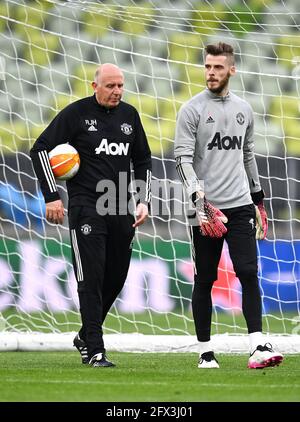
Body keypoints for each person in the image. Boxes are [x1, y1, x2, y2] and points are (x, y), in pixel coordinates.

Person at [30, 63, 152, 367]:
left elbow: (143, 159)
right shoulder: (76, 114)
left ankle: (85, 334)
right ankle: (95, 350)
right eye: (111, 86)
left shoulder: (130, 116)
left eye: (121, 85)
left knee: (117, 277)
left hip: (121, 205)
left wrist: (143, 200)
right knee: (91, 277)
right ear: (94, 85)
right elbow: (40, 149)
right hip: (86, 206)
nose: (117, 92)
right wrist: (52, 196)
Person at [174, 42, 283, 369]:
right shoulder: (191, 110)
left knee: (248, 273)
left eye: (218, 67)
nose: (211, 72)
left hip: (239, 206)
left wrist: (259, 199)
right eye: (208, 66)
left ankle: (257, 346)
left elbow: (247, 154)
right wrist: (199, 200)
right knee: (204, 279)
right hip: (205, 209)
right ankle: (206, 353)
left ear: (231, 70)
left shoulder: (244, 110)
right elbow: (182, 160)